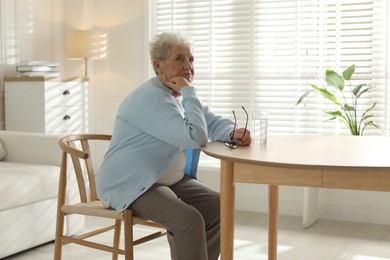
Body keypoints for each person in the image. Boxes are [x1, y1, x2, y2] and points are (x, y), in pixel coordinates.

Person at [96, 31, 251, 260]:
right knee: (188, 220)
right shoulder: (152, 98)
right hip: (133, 183)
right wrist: (189, 91)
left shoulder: (176, 96)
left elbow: (211, 121)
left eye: (191, 59)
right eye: (180, 59)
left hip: (166, 180)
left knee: (220, 206)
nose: (188, 66)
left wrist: (232, 132)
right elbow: (196, 136)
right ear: (158, 65)